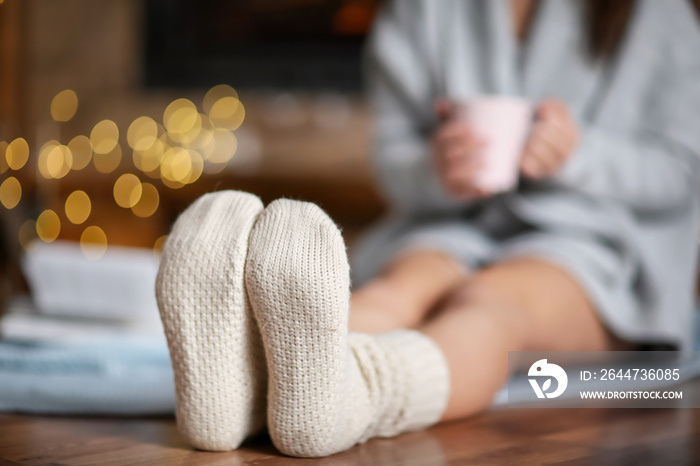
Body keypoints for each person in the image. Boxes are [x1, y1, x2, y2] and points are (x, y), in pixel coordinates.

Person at [155, 0, 700, 458]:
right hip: (455, 223)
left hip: (596, 241)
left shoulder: (660, 16)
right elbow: (395, 165)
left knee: (491, 304)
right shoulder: (422, 9)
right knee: (398, 288)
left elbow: (682, 172)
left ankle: (354, 397)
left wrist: (580, 156)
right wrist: (437, 170)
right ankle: (245, 393)